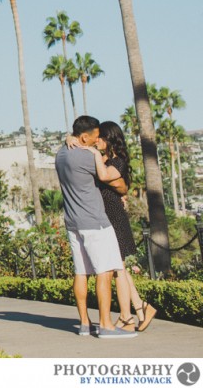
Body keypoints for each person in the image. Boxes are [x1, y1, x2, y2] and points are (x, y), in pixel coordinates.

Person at [54, 115, 136, 338]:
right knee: (105, 272)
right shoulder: (86, 157)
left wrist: (69, 138)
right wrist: (124, 190)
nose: (97, 141)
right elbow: (115, 181)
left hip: (72, 222)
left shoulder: (61, 154)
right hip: (95, 223)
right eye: (96, 137)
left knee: (81, 272)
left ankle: (84, 323)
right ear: (84, 137)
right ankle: (106, 325)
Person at [85, 121, 158, 333]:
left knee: (118, 267)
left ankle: (130, 315)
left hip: (115, 218)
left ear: (109, 139)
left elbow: (109, 179)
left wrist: (92, 151)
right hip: (107, 218)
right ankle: (139, 309)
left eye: (100, 138)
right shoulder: (106, 160)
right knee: (119, 267)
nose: (97, 141)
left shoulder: (117, 162)